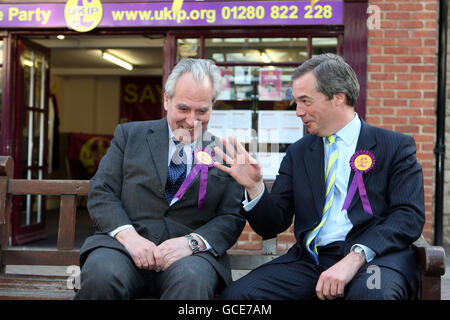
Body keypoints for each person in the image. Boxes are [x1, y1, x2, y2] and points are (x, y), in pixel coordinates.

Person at [215, 53, 425, 300]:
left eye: (305, 101)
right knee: (239, 297)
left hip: (375, 259)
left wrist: (356, 256)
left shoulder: (395, 146)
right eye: (296, 102)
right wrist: (254, 187)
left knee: (371, 295)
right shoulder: (299, 152)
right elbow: (272, 224)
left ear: (338, 98)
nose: (298, 111)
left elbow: (408, 215)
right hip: (312, 261)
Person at [74, 58, 245, 300]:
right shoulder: (129, 135)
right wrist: (130, 238)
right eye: (183, 108)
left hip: (190, 259)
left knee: (192, 283)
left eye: (202, 111)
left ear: (212, 106)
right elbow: (103, 191)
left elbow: (231, 217)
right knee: (101, 275)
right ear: (166, 100)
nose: (192, 120)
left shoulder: (225, 153)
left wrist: (192, 243)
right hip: (122, 249)